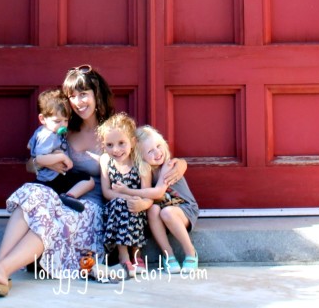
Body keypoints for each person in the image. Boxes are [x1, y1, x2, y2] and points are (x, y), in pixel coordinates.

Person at [0, 65, 133, 297]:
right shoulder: (61, 127)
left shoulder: (113, 130)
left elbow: (150, 155)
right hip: (59, 196)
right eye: (72, 96)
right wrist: (42, 161)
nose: (78, 102)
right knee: (31, 193)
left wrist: (176, 168)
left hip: (90, 207)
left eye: (84, 94)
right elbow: (31, 166)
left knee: (53, 218)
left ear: (96, 94)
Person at [128, 124, 199, 274]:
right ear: (141, 157)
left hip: (184, 209)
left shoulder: (169, 164)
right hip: (163, 210)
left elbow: (159, 192)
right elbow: (146, 193)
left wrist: (126, 190)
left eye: (158, 146)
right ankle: (169, 255)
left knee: (166, 212)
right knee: (153, 209)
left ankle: (190, 252)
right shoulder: (146, 170)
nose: (157, 152)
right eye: (150, 151)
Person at [98, 112, 150, 278]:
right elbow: (107, 192)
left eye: (121, 143)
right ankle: (124, 255)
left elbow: (147, 195)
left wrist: (142, 203)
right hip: (114, 212)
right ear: (104, 145)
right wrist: (127, 198)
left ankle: (136, 253)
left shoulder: (141, 164)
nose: (116, 149)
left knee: (133, 206)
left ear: (132, 142)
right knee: (122, 204)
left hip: (138, 211)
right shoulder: (106, 161)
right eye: (110, 144)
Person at [27, 88, 94, 211]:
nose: (63, 125)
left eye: (66, 120)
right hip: (53, 178)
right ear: (42, 119)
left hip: (49, 177)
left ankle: (65, 197)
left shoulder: (41, 131)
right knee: (88, 180)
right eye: (57, 121)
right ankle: (68, 196)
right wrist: (62, 157)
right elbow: (40, 158)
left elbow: (30, 145)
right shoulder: (49, 135)